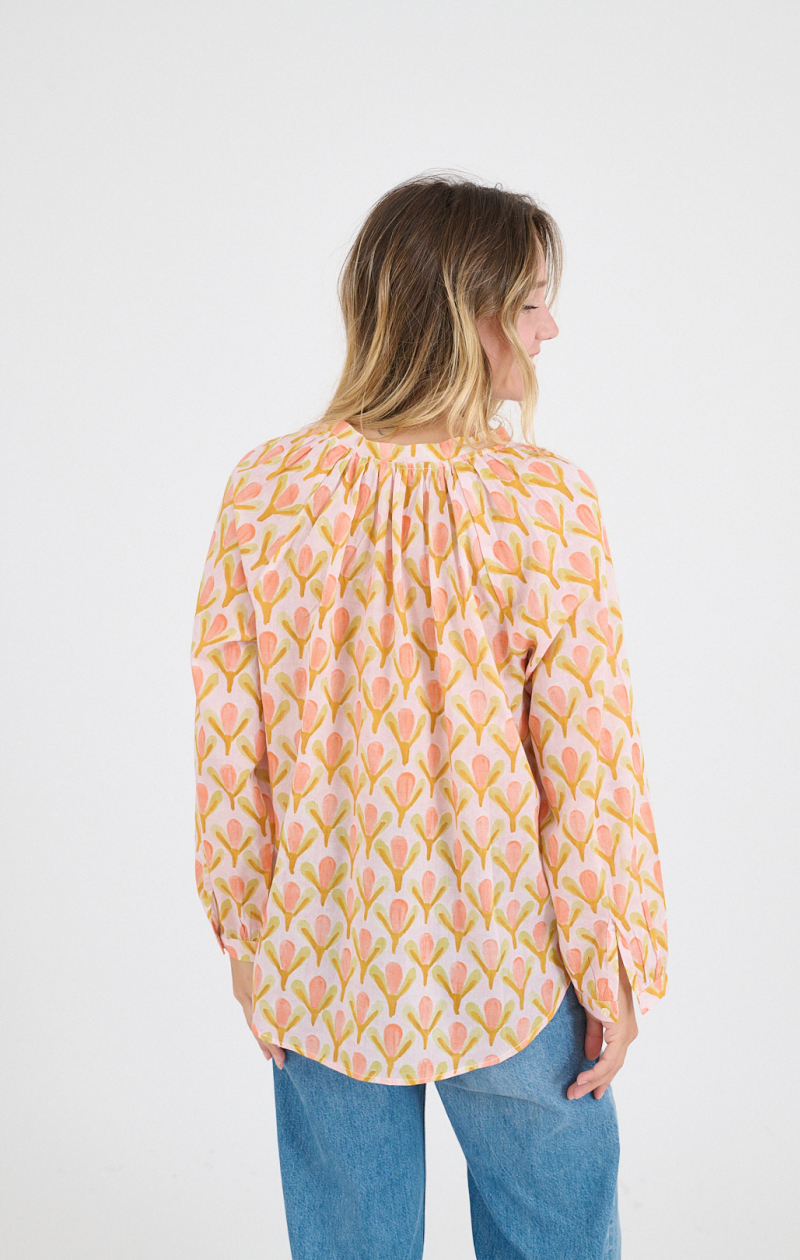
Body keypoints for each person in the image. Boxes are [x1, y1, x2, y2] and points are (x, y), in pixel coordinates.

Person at [190, 172, 669, 1260]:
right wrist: (611, 956)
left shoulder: (266, 490)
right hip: (508, 952)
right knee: (554, 1233)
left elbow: (229, 740)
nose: (550, 330)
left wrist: (247, 929)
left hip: (320, 947)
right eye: (532, 303)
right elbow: (588, 757)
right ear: (469, 314)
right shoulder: (544, 501)